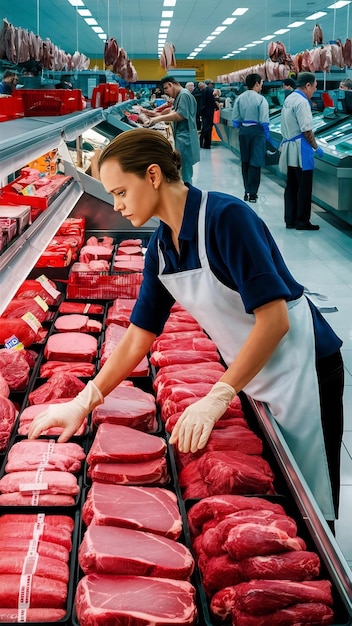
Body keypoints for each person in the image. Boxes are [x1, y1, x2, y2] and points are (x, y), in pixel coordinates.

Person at [28, 128, 344, 526]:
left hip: (303, 367)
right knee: (276, 497)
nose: (117, 205)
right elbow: (139, 336)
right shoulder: (161, 246)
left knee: (312, 497)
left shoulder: (226, 219)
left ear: (154, 175)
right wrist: (84, 401)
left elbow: (275, 320)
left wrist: (219, 395)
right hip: (251, 369)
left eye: (121, 192)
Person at [279, 71, 323, 231]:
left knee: (291, 186)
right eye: (315, 87)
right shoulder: (303, 102)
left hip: (290, 148)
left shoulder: (290, 98)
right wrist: (316, 147)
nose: (315, 91)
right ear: (308, 85)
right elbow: (306, 130)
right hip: (301, 150)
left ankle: (290, 220)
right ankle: (302, 221)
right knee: (304, 188)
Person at [146, 76, 200, 185]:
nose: (166, 92)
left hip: (185, 139)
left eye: (166, 88)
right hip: (183, 137)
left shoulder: (184, 95)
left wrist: (157, 119)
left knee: (185, 172)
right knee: (185, 170)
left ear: (171, 85)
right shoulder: (181, 96)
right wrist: (155, 115)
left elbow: (180, 115)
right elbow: (173, 111)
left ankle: (188, 195)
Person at [231, 73, 269, 203]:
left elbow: (235, 119)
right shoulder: (261, 99)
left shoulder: (240, 98)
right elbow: (264, 119)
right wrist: (266, 133)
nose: (261, 86)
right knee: (255, 162)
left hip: (244, 131)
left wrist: (241, 128)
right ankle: (253, 193)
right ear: (257, 83)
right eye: (261, 83)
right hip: (257, 133)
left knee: (245, 161)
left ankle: (246, 190)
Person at [199, 79, 218, 149]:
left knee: (205, 127)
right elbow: (212, 101)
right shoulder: (210, 90)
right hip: (209, 112)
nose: (213, 85)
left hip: (204, 112)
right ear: (209, 84)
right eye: (212, 83)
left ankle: (202, 142)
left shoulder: (204, 90)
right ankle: (206, 144)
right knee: (208, 128)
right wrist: (216, 107)